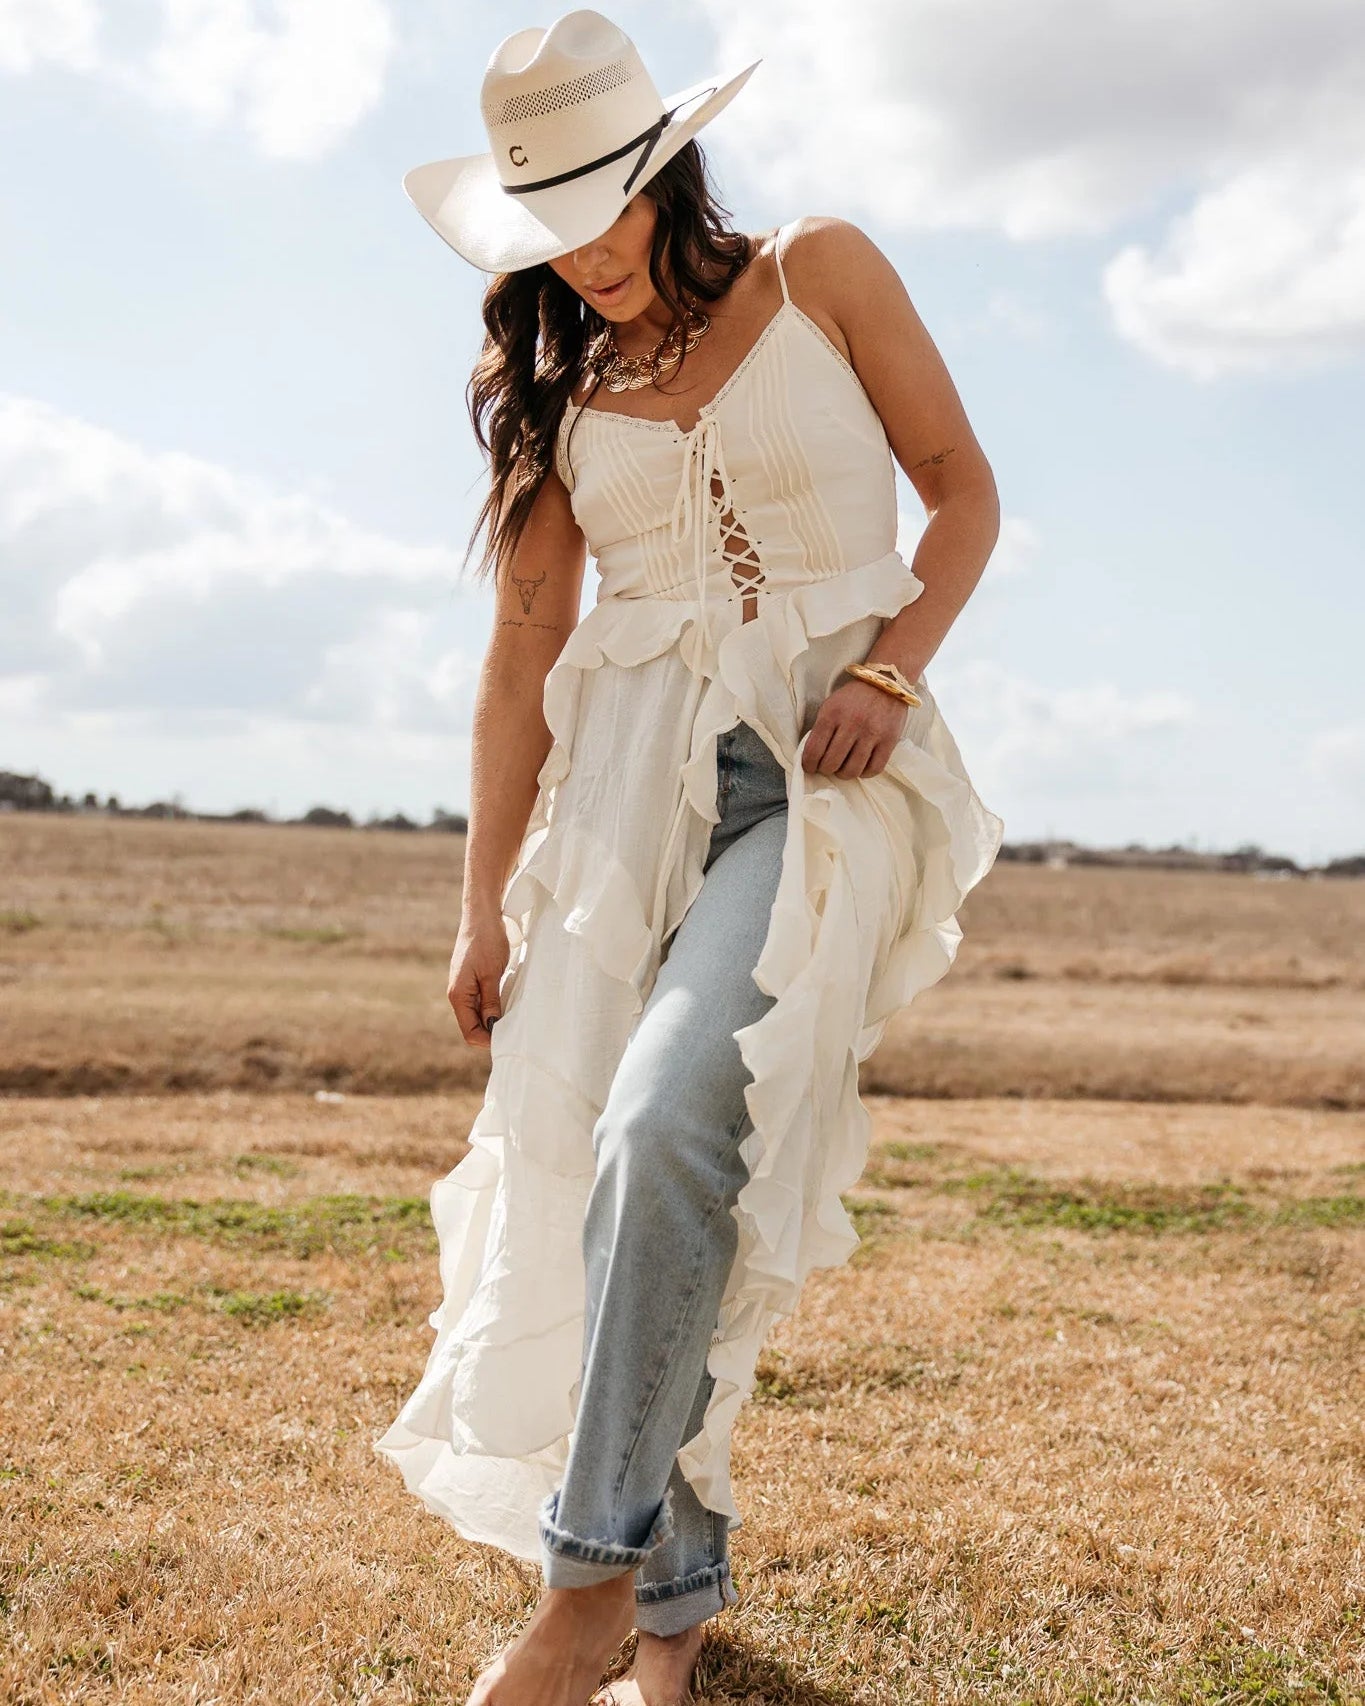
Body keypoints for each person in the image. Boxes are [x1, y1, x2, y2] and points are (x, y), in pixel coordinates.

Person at [374, 10, 1005, 1704]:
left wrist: (888, 667)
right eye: (543, 225)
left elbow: (959, 491)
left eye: (599, 200)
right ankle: (678, 1606)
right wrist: (477, 907)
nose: (576, 251)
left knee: (665, 1120)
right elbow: (520, 668)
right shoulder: (561, 390)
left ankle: (585, 1588)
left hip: (816, 779)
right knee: (619, 1182)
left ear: (665, 168)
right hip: (618, 805)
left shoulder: (821, 269)